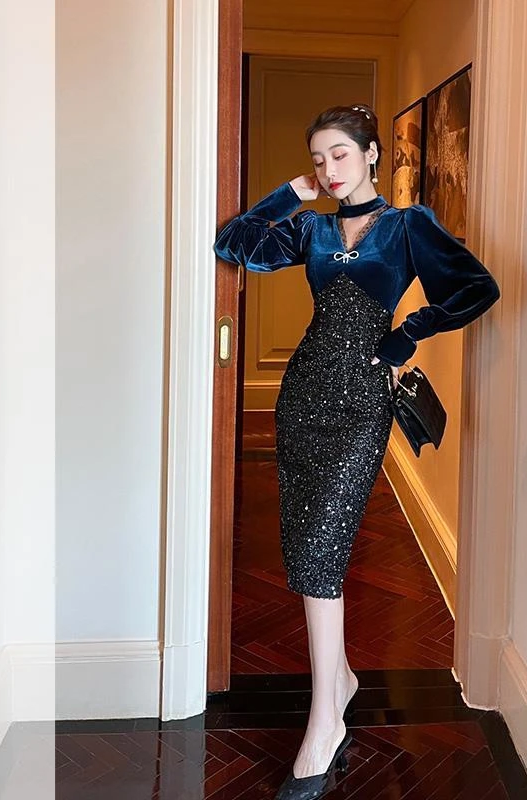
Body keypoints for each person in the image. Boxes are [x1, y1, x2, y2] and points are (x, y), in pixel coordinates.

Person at [213, 103, 500, 799]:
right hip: (303, 393)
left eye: (340, 154)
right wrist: (289, 194)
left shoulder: (408, 226)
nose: (329, 169)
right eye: (318, 159)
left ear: (372, 154)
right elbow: (232, 244)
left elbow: (478, 287)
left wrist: (409, 334)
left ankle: (324, 722)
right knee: (306, 544)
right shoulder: (309, 228)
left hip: (362, 402)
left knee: (324, 545)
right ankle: (335, 683)